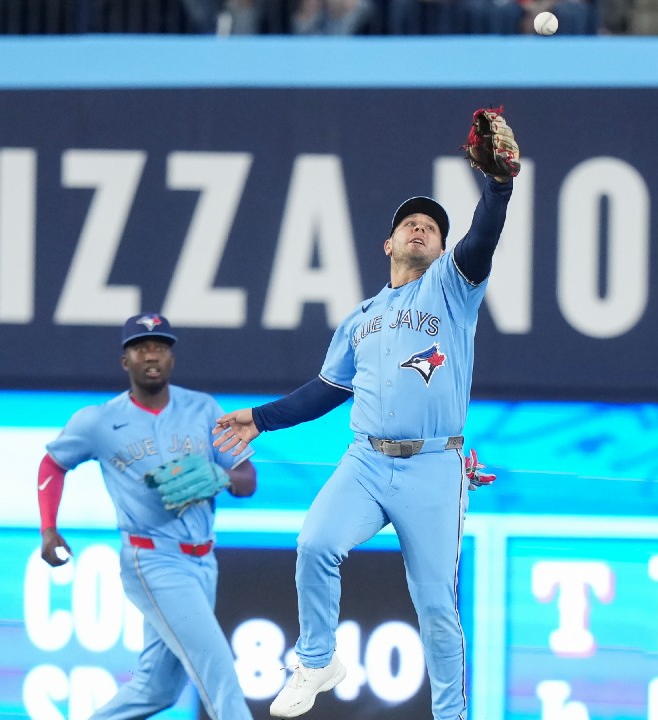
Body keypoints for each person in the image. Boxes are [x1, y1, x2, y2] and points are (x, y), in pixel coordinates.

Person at [211, 107, 519, 720]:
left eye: (432, 227)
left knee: (436, 607)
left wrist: (499, 186)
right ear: (388, 244)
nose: (421, 229)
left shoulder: (452, 288)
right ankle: (317, 659)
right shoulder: (360, 318)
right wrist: (261, 418)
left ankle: (451, 716)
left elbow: (483, 236)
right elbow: (326, 391)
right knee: (315, 542)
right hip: (367, 461)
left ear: (442, 247)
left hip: (433, 466)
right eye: (409, 223)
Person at [37, 313, 257, 720]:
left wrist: (221, 476)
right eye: (141, 348)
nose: (151, 355)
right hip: (151, 558)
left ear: (172, 358)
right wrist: (49, 529)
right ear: (126, 361)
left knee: (156, 690)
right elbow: (52, 464)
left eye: (160, 346)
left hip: (203, 560)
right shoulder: (98, 420)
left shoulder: (203, 408)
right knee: (219, 672)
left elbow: (247, 477)